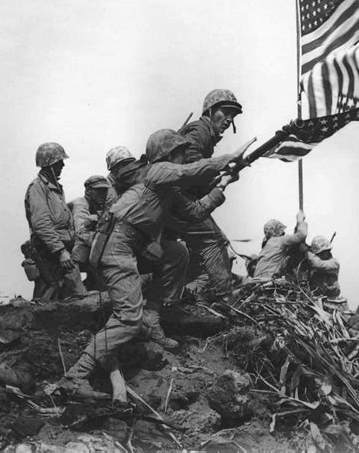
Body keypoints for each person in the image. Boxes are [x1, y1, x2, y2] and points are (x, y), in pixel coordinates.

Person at [58, 130, 254, 402]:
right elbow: (189, 172)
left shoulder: (166, 188)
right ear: (167, 155)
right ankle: (75, 376)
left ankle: (151, 319)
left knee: (175, 252)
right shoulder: (157, 171)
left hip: (133, 243)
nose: (184, 155)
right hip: (116, 244)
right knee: (127, 318)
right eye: (179, 152)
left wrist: (223, 185)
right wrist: (228, 159)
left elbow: (196, 212)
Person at [176, 89, 244, 300]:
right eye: (225, 112)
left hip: (184, 202)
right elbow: (190, 165)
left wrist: (222, 175)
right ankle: (226, 298)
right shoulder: (200, 131)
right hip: (181, 203)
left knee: (219, 241)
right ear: (210, 111)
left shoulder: (206, 134)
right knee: (213, 243)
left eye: (233, 115)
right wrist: (221, 172)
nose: (229, 119)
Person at [24, 143, 86, 300]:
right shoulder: (37, 188)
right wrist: (60, 252)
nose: (63, 165)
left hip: (62, 250)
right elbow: (41, 224)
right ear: (49, 164)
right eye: (59, 162)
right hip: (50, 253)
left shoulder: (55, 188)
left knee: (74, 295)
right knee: (47, 299)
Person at [70, 175, 110, 290]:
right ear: (88, 191)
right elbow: (81, 232)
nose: (103, 194)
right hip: (68, 248)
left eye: (105, 190)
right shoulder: (80, 204)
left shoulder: (100, 206)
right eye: (99, 190)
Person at [253, 212, 308, 282]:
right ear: (278, 231)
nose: (284, 234)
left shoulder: (267, 246)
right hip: (268, 280)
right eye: (282, 232)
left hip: (256, 281)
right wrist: (300, 220)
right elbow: (302, 235)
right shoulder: (279, 241)